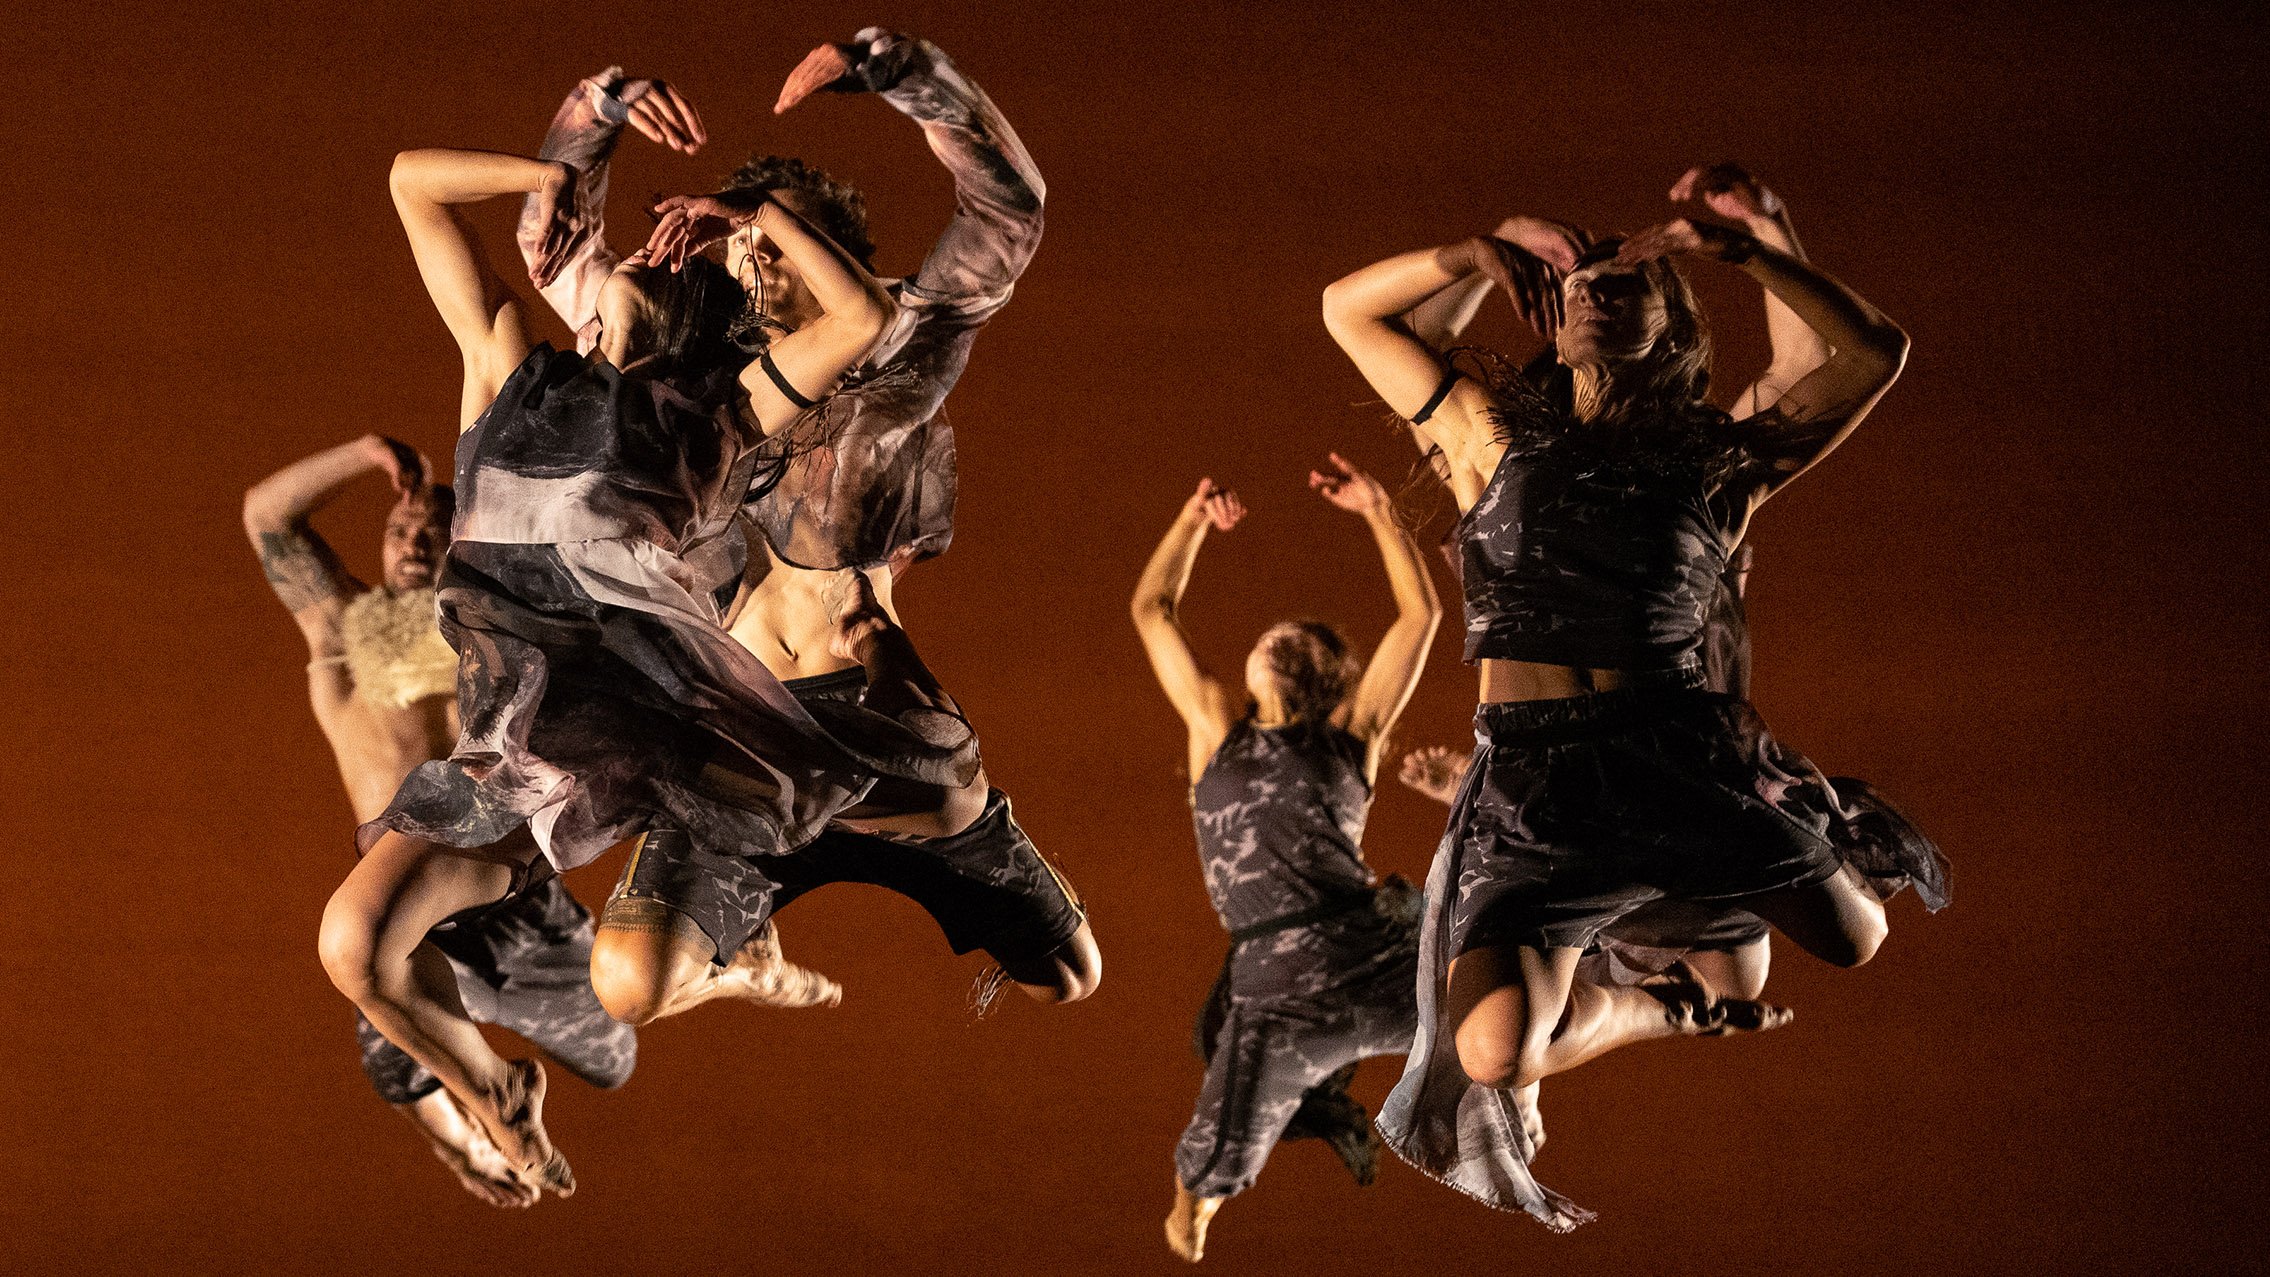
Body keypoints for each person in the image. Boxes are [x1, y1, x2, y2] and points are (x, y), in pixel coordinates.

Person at [320, 129, 964, 1197]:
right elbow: (408, 183)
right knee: (353, 947)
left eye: (669, 259)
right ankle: (499, 1103)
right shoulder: (507, 376)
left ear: (688, 308)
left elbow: (861, 319)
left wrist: (754, 219)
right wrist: (548, 179)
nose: (642, 251)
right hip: (496, 760)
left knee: (376, 941)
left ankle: (705, 944)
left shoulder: (716, 423)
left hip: (597, 747)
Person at [1321, 173, 1944, 1228]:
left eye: (1627, 284)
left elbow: (1868, 356)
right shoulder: (1485, 439)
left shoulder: (1715, 464)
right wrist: (1472, 253)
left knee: (1856, 937)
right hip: (1534, 783)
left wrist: (1745, 251)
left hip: (1671, 758)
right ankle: (1651, 1002)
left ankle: (1759, 846)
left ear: (1668, 322)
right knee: (1490, 1048)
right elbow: (1347, 310)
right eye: (1577, 288)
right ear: (1551, 326)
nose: (1595, 295)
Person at [510, 33, 1096, 1027]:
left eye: (775, 239)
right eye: (741, 244)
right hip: (739, 739)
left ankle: (934, 832)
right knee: (627, 985)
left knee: (1069, 974)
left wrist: (905, 71)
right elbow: (559, 251)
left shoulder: (899, 352)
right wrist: (597, 105)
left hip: (874, 729)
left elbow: (1009, 211)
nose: (752, 256)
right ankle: (751, 954)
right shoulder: (689, 370)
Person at [245, 434, 636, 1207]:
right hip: (422, 905)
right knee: (385, 1032)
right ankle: (474, 1135)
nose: (414, 541)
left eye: (434, 529)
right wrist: (363, 452)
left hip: (517, 900)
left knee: (614, 1054)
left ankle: (479, 1106)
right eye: (399, 531)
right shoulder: (343, 635)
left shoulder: (491, 638)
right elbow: (267, 514)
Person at [1131, 457, 1439, 1261]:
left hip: (1368, 949)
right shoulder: (1215, 733)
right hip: (1274, 986)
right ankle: (1191, 1216)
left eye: (1300, 646)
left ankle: (1645, 989)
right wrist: (1193, 521)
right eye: (1274, 638)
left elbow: (1420, 618)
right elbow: (1153, 608)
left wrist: (1382, 512)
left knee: (1492, 999)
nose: (1278, 641)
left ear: (1322, 679)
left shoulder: (1351, 739)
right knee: (1221, 1136)